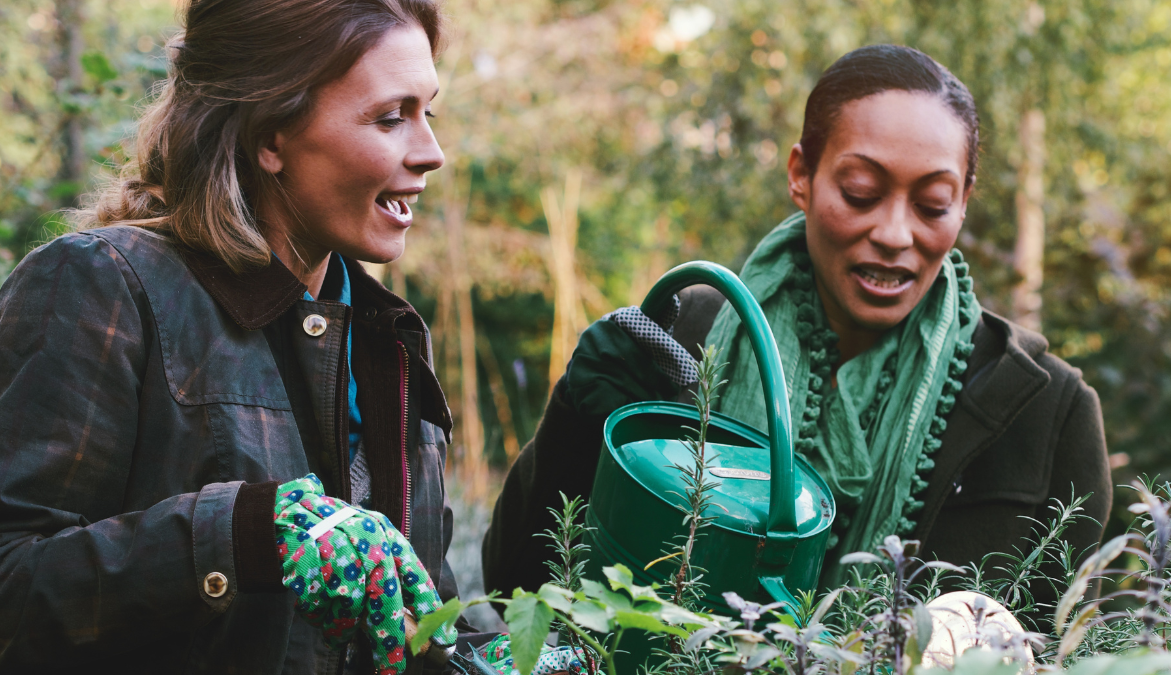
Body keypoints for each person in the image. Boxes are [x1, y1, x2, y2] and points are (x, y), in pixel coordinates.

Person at [483, 45, 1112, 610]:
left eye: (932, 205)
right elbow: (516, 587)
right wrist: (576, 426)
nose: (895, 234)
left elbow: (1079, 643)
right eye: (862, 192)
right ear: (800, 175)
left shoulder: (1045, 410)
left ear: (966, 200)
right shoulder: (682, 341)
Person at [0, 0, 475, 671]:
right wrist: (243, 535)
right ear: (270, 136)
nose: (431, 153)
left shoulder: (388, 340)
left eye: (430, 112)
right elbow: (13, 588)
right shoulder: (102, 287)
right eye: (391, 117)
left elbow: (423, 628)